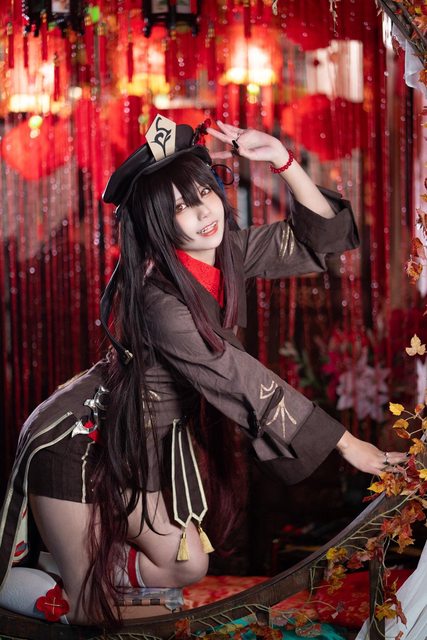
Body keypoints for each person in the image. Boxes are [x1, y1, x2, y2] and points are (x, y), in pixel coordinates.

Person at [0, 115, 407, 628]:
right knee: (88, 607)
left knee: (188, 564)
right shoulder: (158, 299)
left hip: (137, 442)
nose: (200, 214)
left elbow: (317, 239)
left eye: (202, 193)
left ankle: (63, 564)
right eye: (177, 208)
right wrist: (348, 445)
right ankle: (50, 584)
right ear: (155, 225)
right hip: (81, 440)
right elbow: (238, 375)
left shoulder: (224, 251)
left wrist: (283, 160)